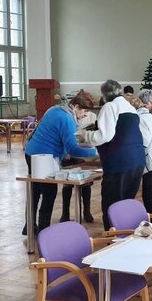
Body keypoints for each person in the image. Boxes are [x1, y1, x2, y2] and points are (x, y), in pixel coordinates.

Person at [24, 92, 97, 234]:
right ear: (76, 107)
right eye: (84, 111)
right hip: (44, 157)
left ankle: (30, 226)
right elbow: (72, 149)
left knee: (35, 190)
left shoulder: (56, 109)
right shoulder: (67, 119)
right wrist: (95, 152)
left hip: (31, 152)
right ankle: (44, 231)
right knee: (49, 193)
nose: (85, 115)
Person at [83, 79, 146, 230]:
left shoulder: (110, 106)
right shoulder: (130, 108)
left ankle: (112, 238)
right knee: (126, 203)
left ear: (105, 95)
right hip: (137, 161)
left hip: (119, 162)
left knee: (111, 205)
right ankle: (126, 235)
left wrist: (85, 135)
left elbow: (105, 136)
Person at [60, 90, 97, 223]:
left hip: (84, 154)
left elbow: (95, 135)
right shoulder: (69, 116)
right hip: (70, 155)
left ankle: (86, 211)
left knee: (86, 185)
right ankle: (65, 213)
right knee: (67, 184)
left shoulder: (92, 117)